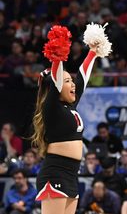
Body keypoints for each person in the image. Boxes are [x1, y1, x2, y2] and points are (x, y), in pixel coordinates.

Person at [31, 25, 102, 214]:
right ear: (56, 86)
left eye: (72, 80)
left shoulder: (70, 106)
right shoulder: (51, 107)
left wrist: (93, 52)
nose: (73, 84)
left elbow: (83, 77)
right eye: (68, 81)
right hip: (55, 172)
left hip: (71, 174)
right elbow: (55, 78)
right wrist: (58, 54)